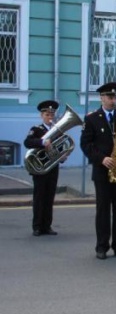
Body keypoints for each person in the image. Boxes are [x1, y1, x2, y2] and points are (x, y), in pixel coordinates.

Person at [80, 82, 116, 260]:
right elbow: (86, 144)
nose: (113, 100)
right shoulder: (92, 118)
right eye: (110, 97)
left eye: (115, 97)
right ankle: (101, 246)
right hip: (103, 170)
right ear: (101, 98)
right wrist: (102, 159)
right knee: (103, 210)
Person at [24, 100, 64, 237]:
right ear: (42, 115)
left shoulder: (57, 131)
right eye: (47, 114)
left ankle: (47, 226)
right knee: (39, 197)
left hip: (53, 167)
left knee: (49, 197)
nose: (50, 117)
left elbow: (60, 147)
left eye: (52, 114)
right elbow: (27, 142)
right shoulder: (36, 129)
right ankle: (37, 226)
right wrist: (42, 142)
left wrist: (62, 156)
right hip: (39, 168)